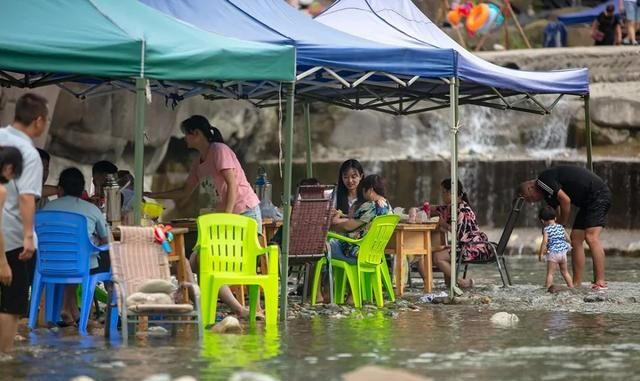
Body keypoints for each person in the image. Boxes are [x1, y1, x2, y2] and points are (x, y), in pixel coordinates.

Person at [145, 115, 260, 319]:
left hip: (243, 212)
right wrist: (152, 195)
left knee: (220, 261)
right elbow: (185, 191)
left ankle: (244, 308)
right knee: (196, 261)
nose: (184, 140)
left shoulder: (219, 150)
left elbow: (232, 184)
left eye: (186, 135)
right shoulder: (200, 161)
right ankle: (227, 307)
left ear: (196, 134)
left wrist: (226, 218)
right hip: (226, 217)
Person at [0, 93, 48, 353]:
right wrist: (29, 235)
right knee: (12, 304)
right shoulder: (29, 153)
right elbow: (27, 197)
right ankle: (4, 359)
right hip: (13, 237)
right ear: (38, 121)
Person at [520, 165, 611, 290]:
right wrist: (554, 229)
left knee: (591, 237)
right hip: (587, 203)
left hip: (598, 195)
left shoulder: (542, 181)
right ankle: (576, 283)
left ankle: (600, 282)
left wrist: (561, 226)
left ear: (530, 188)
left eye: (529, 199)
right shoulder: (547, 195)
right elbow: (557, 210)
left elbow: (565, 201)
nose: (532, 202)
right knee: (576, 239)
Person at [43, 168, 110, 326]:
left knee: (72, 254)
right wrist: (98, 243)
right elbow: (107, 238)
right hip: (80, 264)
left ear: (60, 189)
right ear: (82, 191)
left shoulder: (47, 208)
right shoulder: (91, 209)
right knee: (83, 256)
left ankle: (71, 311)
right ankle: (76, 311)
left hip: (48, 263)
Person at [433, 179, 493, 294]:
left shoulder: (462, 210)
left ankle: (461, 282)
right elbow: (435, 208)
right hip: (467, 245)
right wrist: (418, 209)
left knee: (438, 257)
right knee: (443, 251)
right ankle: (449, 284)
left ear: (450, 193)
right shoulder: (452, 207)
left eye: (443, 192)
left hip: (473, 247)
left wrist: (443, 224)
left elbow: (459, 234)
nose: (441, 195)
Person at [330, 174, 392, 264]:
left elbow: (347, 226)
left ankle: (315, 278)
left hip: (356, 253)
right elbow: (359, 220)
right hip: (374, 255)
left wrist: (330, 227)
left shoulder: (371, 206)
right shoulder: (388, 208)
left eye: (363, 189)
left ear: (370, 189)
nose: (362, 192)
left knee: (321, 247)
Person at [0, 147, 24, 353]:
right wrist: (3, 262)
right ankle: (5, 353)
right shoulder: (1, 190)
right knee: (12, 305)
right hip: (8, 250)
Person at [537, 206, 573, 292]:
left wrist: (541, 254)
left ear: (542, 220)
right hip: (563, 253)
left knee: (550, 274)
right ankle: (571, 287)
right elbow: (568, 239)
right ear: (555, 218)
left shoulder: (547, 229)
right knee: (565, 272)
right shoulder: (561, 227)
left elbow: (545, 242)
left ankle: (547, 290)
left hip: (553, 253)